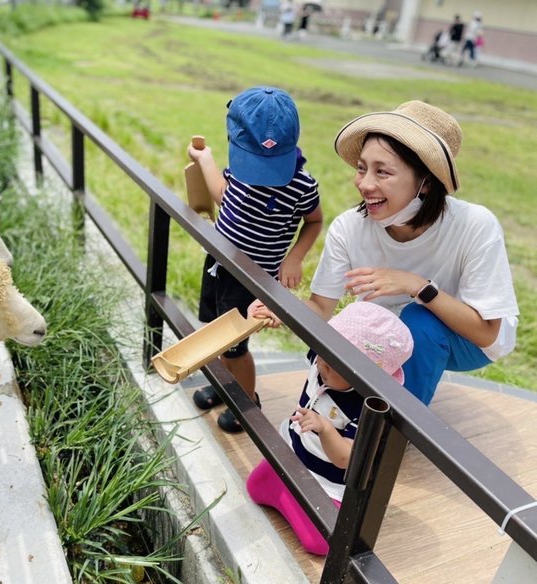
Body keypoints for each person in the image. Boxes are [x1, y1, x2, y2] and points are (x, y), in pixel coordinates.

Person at [256, 100, 519, 406]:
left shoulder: (475, 225)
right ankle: (314, 420)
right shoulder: (349, 228)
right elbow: (321, 308)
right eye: (362, 168)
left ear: (425, 182)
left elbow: (487, 333)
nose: (364, 184)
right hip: (387, 327)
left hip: (466, 339)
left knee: (419, 321)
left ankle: (398, 425)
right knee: (346, 328)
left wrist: (417, 286)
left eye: (383, 172)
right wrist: (281, 309)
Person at [187, 86, 323, 433]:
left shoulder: (302, 185)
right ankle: (224, 386)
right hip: (219, 266)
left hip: (251, 280)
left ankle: (247, 401)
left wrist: (294, 258)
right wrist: (205, 159)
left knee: (235, 346)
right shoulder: (238, 170)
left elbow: (314, 221)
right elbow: (223, 196)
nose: (259, 177)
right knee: (216, 334)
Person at [246, 301, 414, 555]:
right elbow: (304, 327)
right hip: (294, 450)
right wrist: (276, 312)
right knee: (254, 487)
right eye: (322, 356)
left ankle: (290, 494)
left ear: (362, 376)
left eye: (330, 366)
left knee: (321, 542)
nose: (320, 366)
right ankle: (286, 486)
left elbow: (346, 458)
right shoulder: (322, 358)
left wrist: (325, 429)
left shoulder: (364, 406)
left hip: (326, 479)